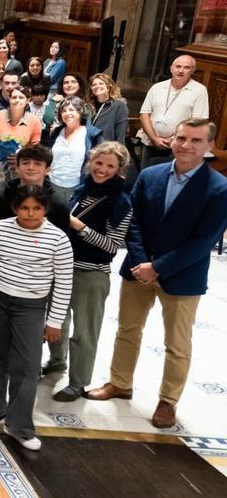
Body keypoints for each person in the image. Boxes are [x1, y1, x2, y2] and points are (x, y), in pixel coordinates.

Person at [87, 118, 227, 428]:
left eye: (195, 140)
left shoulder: (219, 189)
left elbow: (203, 241)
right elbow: (131, 221)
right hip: (138, 268)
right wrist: (141, 261)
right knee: (127, 330)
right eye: (181, 138)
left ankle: (168, 401)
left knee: (177, 343)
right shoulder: (150, 175)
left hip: (183, 275)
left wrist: (158, 267)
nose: (186, 145)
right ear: (173, 139)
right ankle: (120, 383)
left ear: (209, 146)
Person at [0, 184, 73, 450]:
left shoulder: (58, 239)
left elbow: (64, 283)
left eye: (37, 208)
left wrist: (54, 321)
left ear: (46, 209)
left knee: (28, 365)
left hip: (32, 306)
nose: (30, 214)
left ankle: (18, 423)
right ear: (14, 208)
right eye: (24, 208)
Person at [48, 142, 133, 402]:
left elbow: (112, 246)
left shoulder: (120, 202)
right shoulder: (83, 190)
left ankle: (78, 382)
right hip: (63, 268)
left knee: (84, 331)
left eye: (110, 166)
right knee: (57, 322)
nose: (102, 169)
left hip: (91, 274)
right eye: (99, 163)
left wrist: (79, 227)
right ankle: (56, 360)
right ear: (90, 162)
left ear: (120, 170)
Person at [136, 55, 208, 168]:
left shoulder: (199, 90)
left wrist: (174, 138)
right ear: (171, 68)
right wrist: (154, 138)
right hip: (150, 141)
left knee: (169, 178)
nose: (180, 70)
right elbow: (144, 114)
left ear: (193, 70)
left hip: (178, 145)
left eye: (186, 67)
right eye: (178, 66)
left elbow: (198, 121)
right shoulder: (157, 87)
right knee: (146, 175)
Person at [44, 97, 104, 205]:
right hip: (53, 184)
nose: (67, 113)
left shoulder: (92, 134)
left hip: (78, 186)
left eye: (71, 109)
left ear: (80, 111)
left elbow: (100, 160)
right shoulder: (56, 132)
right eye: (64, 110)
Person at [89, 73, 129, 145]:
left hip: (106, 149)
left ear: (109, 87)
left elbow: (120, 135)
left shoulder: (118, 105)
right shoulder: (89, 107)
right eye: (94, 84)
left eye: (101, 83)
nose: (97, 86)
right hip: (89, 148)